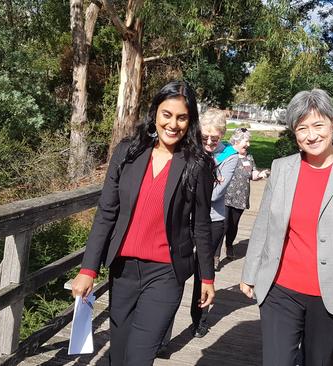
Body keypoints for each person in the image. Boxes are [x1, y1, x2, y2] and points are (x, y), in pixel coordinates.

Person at [70, 81, 216, 366]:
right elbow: (106, 213)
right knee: (120, 353)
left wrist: (207, 278)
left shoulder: (196, 164)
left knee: (139, 356)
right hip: (123, 270)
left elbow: (201, 226)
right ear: (155, 114)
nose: (173, 124)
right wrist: (88, 269)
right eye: (167, 114)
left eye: (182, 117)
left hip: (166, 273)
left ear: (191, 120)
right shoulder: (128, 153)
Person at [240, 89, 333, 366]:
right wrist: (250, 272)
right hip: (279, 290)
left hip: (331, 294)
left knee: (318, 361)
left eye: (318, 125)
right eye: (302, 128)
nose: (311, 135)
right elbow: (265, 224)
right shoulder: (282, 168)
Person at [190, 108, 238, 338]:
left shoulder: (230, 156)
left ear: (222, 135)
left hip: (213, 220)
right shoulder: (191, 150)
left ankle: (199, 319)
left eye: (215, 138)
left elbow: (216, 193)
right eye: (204, 137)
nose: (209, 142)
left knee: (204, 271)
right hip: (187, 220)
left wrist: (189, 193)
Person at [224, 128, 269, 259]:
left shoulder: (249, 157)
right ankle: (215, 254)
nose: (248, 144)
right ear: (237, 141)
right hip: (225, 196)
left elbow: (253, 174)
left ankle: (229, 245)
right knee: (223, 224)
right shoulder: (227, 154)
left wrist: (261, 174)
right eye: (246, 141)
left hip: (240, 197)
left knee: (233, 225)